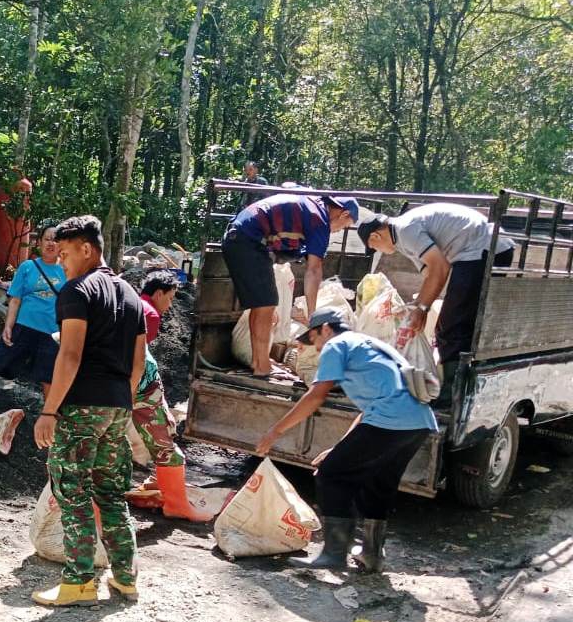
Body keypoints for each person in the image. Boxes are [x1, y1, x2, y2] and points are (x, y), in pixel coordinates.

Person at [255, 310, 437, 574]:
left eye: (314, 339)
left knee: (331, 475)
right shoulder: (371, 345)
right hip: (418, 422)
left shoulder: (336, 345)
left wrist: (275, 431)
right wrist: (337, 448)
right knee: (379, 483)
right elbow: (368, 410)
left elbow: (316, 395)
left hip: (389, 420)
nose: (316, 348)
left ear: (326, 329)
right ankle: (372, 556)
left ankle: (334, 554)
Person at [32, 216, 146, 606]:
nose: (60, 261)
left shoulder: (76, 292)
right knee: (111, 493)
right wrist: (120, 399)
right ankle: (126, 577)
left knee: (74, 492)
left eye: (64, 253)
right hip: (118, 406)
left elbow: (71, 352)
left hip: (81, 407)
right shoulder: (131, 295)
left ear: (86, 249)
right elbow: (139, 363)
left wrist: (49, 410)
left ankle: (79, 581)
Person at [357, 205, 515, 369]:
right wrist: (416, 308)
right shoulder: (401, 236)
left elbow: (440, 269)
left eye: (373, 247)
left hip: (484, 249)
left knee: (452, 326)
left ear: (375, 236)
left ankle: (452, 386)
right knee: (461, 319)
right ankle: (461, 372)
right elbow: (430, 274)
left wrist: (423, 308)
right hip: (489, 247)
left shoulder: (405, 230)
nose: (376, 250)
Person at [221, 193, 360, 377]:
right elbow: (314, 270)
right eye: (345, 226)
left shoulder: (312, 204)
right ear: (343, 214)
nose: (340, 230)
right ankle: (262, 366)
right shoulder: (320, 221)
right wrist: (313, 316)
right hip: (247, 240)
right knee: (266, 304)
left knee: (264, 304)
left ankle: (259, 360)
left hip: (240, 236)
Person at [129, 269, 212, 522]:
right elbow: (138, 358)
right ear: (158, 293)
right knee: (165, 445)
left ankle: (156, 488)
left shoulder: (129, 304)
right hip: (140, 389)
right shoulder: (149, 314)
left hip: (116, 386)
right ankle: (176, 505)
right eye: (170, 298)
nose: (170, 305)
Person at [0, 223, 65, 398]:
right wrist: (8, 326)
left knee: (48, 379)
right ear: (39, 243)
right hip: (22, 328)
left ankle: (50, 421)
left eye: (56, 240)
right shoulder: (28, 267)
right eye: (47, 239)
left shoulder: (68, 270)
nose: (51, 244)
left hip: (52, 334)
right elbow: (15, 300)